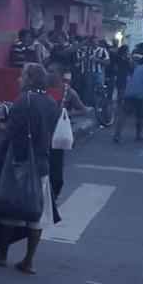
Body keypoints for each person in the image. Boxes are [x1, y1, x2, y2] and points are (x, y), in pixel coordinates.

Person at [0, 63, 59, 276]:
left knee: (9, 208)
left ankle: (2, 254)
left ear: (30, 78)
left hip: (20, 160)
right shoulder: (52, 102)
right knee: (36, 213)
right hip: (42, 162)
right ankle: (29, 260)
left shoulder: (24, 101)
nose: (18, 79)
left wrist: (1, 126)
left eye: (22, 76)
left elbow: (12, 132)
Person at [46, 69, 87, 203]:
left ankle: (54, 195)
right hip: (41, 133)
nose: (50, 75)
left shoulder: (68, 92)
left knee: (56, 169)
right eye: (49, 71)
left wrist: (65, 113)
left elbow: (82, 110)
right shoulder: (41, 89)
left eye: (53, 72)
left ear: (60, 76)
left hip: (57, 135)